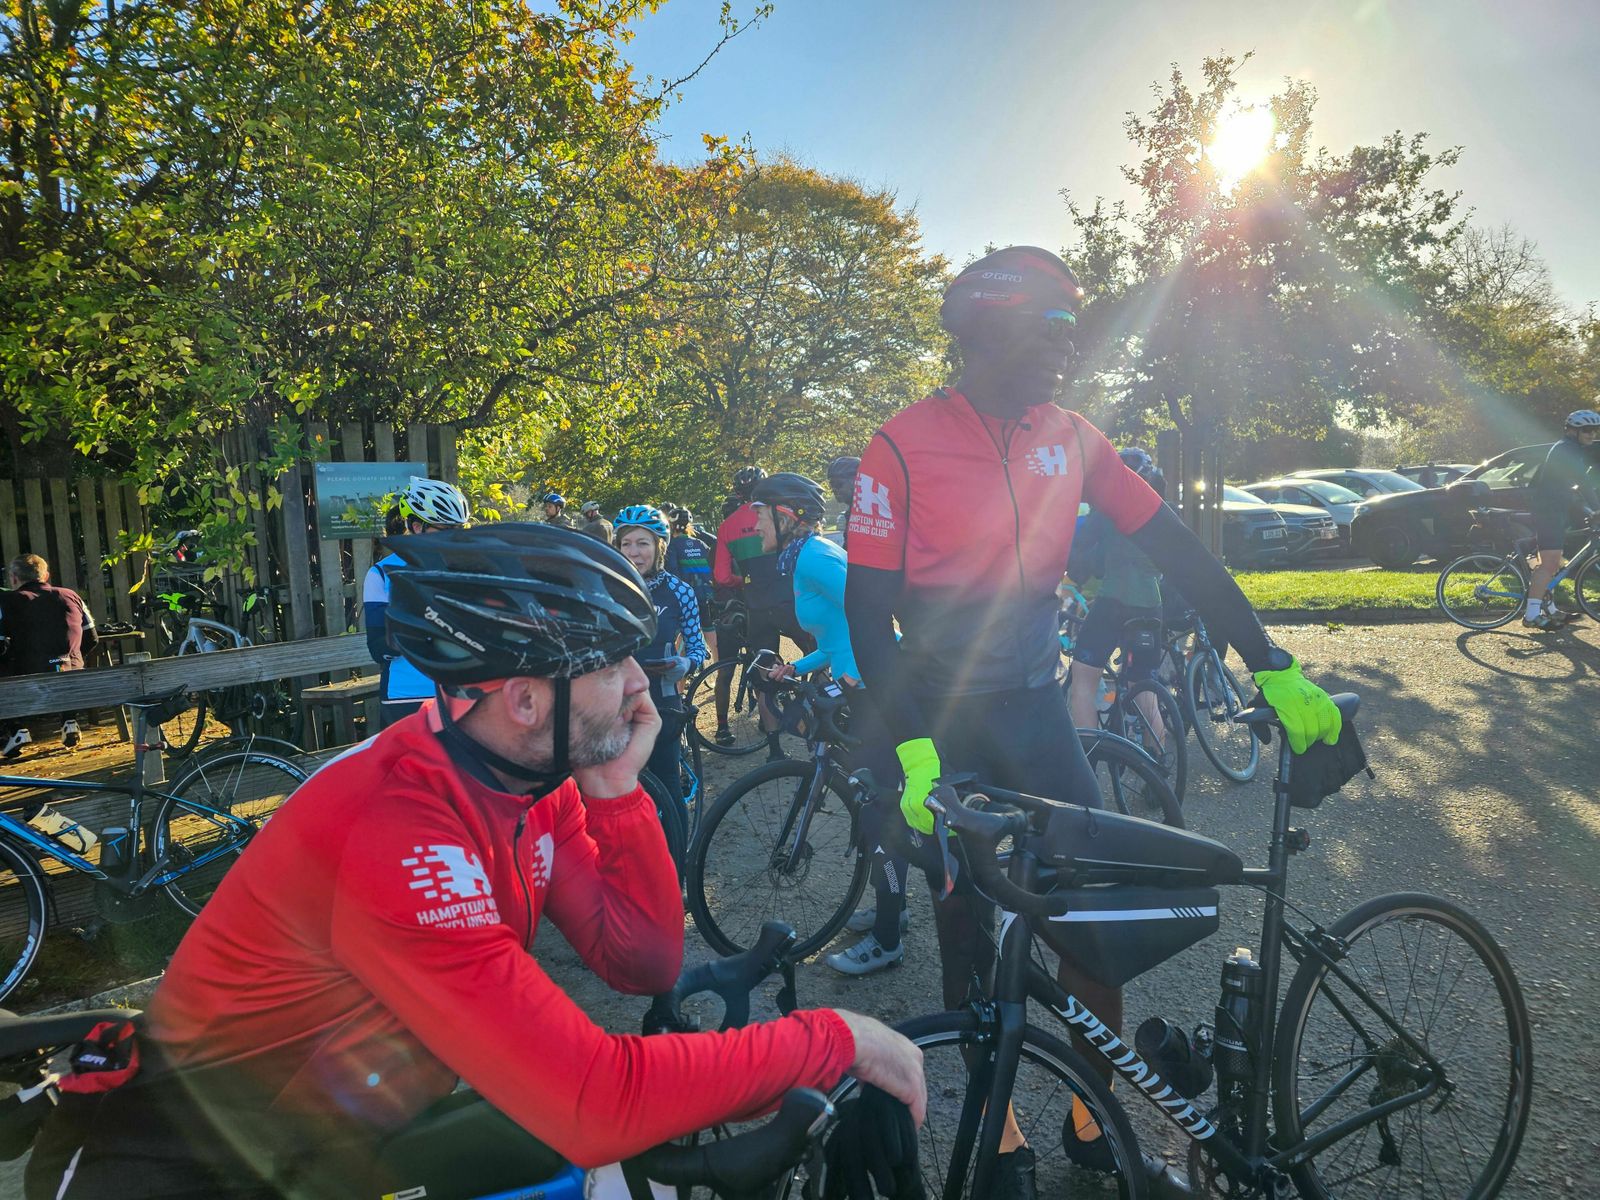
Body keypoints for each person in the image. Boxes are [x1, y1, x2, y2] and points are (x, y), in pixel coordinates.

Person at [26, 523, 925, 1200]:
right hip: (190, 1168)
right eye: (612, 664)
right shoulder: (397, 826)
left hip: (335, 1135)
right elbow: (594, 1099)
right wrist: (836, 1039)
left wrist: (618, 795)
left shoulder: (530, 777)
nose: (641, 684)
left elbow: (643, 960)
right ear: (527, 699)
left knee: (602, 1172)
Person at [845, 244, 1342, 1197]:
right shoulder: (898, 446)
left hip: (1035, 712)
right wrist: (911, 748)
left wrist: (1268, 658)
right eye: (1052, 328)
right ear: (984, 331)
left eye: (1074, 330)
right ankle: (1000, 1136)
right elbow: (868, 617)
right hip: (939, 722)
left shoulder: (1073, 438)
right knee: (965, 929)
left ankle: (1091, 1118)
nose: (1067, 349)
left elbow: (1180, 549)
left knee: (1092, 925)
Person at [755, 474, 911, 978]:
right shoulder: (803, 556)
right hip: (861, 681)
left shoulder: (814, 557)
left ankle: (888, 938)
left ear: (787, 516)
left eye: (760, 514)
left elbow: (874, 611)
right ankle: (892, 907)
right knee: (873, 796)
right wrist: (795, 668)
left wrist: (858, 673)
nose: (753, 525)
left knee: (880, 805)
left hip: (874, 688)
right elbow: (840, 634)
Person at [1066, 448, 1171, 758]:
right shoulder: (1160, 509)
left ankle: (1090, 758)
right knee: (1144, 687)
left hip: (1113, 602)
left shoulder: (1108, 511)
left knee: (1083, 679)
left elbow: (1080, 548)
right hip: (1151, 604)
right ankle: (1157, 763)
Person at [613, 505, 707, 818]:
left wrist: (686, 665)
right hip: (615, 700)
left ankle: (677, 847)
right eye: (626, 543)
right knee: (619, 786)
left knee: (667, 784)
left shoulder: (680, 591)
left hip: (662, 700)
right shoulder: (607, 589)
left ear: (659, 547)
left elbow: (698, 647)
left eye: (643, 543)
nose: (633, 552)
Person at [714, 467, 815, 757]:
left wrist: (745, 582)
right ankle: (820, 729)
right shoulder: (778, 515)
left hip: (756, 604)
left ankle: (774, 750)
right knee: (818, 654)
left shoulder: (727, 525)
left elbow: (721, 577)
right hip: (789, 599)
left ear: (737, 493)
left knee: (764, 675)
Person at [363, 477, 470, 728]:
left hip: (460, 694)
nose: (454, 538)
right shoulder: (381, 574)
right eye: (446, 529)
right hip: (408, 697)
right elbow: (379, 648)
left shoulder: (466, 570)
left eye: (459, 529)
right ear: (416, 526)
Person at [0, 553, 98, 756]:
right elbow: (92, 638)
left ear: (14, 578)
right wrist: (71, 657)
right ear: (46, 575)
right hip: (72, 673)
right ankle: (69, 720)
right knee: (65, 663)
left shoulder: (6, 601)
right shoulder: (71, 595)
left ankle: (17, 728)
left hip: (27, 676)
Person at [1523, 408, 1600, 630]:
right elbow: (1583, 482)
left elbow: (1568, 486)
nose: (1592, 434)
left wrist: (1588, 510)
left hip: (1555, 511)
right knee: (1548, 564)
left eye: (1594, 430)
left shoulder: (1570, 448)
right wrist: (1597, 508)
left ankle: (1551, 609)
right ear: (1572, 431)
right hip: (1548, 513)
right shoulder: (1567, 450)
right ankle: (1531, 615)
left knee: (1555, 563)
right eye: (1587, 430)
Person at [823, 455, 861, 547]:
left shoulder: (869, 514)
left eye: (839, 484)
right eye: (831, 485)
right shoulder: (851, 512)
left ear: (857, 482)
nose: (834, 489)